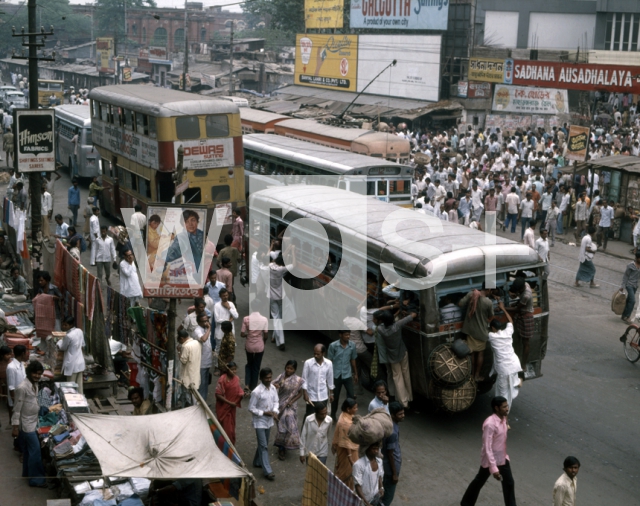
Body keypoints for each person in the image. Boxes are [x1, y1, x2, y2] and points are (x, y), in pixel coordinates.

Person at [461, 396, 516, 506]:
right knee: (479, 481)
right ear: (496, 408)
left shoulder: (503, 418)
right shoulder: (490, 424)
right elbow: (487, 447)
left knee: (509, 483)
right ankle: (466, 503)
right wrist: (494, 468)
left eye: (507, 406)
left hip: (502, 458)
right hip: (490, 460)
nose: (507, 409)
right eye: (504, 407)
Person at [11, 360, 47, 488]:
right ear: (29, 372)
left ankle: (27, 474)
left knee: (28, 451)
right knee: (35, 452)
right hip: (26, 425)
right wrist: (15, 427)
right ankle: (37, 480)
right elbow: (16, 408)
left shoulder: (34, 384)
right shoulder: (22, 387)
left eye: (39, 374)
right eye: (35, 373)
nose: (37, 376)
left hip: (33, 421)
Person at [374, 309, 415, 408]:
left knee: (398, 378)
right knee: (406, 375)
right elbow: (413, 315)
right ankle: (410, 397)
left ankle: (404, 402)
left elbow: (383, 323)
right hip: (402, 352)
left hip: (392, 356)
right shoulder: (397, 325)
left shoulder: (380, 329)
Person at [488, 303, 522, 408]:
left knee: (502, 395)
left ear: (493, 328)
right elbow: (510, 321)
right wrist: (503, 309)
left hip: (504, 369)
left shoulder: (491, 336)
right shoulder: (507, 332)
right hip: (514, 364)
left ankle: (504, 419)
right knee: (509, 391)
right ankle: (519, 381)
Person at [458, 286, 494, 382]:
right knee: (480, 353)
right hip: (481, 332)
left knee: (472, 353)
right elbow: (491, 316)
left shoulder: (471, 294)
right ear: (489, 290)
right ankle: (476, 375)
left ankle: (470, 375)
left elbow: (460, 303)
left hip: (470, 330)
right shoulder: (488, 302)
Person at [249, 367, 279, 481]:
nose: (269, 379)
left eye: (270, 377)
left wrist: (275, 411)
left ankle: (257, 461)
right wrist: (263, 413)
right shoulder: (256, 392)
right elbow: (251, 408)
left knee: (264, 443)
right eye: (266, 378)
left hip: (269, 421)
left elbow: (276, 401)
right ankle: (268, 470)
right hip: (260, 421)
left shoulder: (273, 388)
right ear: (261, 378)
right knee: (264, 445)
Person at [273, 359, 305, 460]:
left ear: (295, 370)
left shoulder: (298, 380)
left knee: (290, 425)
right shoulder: (281, 377)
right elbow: (272, 384)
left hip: (291, 406)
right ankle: (281, 448)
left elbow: (300, 393)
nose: (289, 370)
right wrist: (276, 386)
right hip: (280, 405)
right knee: (282, 427)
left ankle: (285, 446)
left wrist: (291, 401)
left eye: (291, 369)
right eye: (287, 368)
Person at [326, 329, 358, 420]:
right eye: (346, 335)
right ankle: (333, 415)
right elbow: (329, 361)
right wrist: (328, 376)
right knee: (335, 397)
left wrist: (355, 373)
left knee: (351, 395)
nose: (348, 337)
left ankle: (348, 415)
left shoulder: (352, 345)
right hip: (336, 375)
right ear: (340, 335)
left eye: (349, 335)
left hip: (347, 374)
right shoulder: (333, 346)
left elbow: (353, 360)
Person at [301, 343, 334, 423]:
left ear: (323, 353)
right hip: (311, 396)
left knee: (321, 417)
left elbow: (330, 379)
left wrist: (331, 394)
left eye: (318, 354)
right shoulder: (308, 363)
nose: (315, 355)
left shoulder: (329, 363)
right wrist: (305, 393)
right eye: (314, 353)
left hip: (323, 396)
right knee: (309, 417)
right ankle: (304, 434)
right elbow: (304, 379)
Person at [331, 398, 360, 490]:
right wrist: (351, 459)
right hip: (347, 453)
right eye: (355, 408)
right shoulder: (346, 423)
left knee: (341, 470)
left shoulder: (343, 415)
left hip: (343, 450)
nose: (356, 410)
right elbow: (347, 443)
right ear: (348, 409)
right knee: (347, 473)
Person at [506, 278, 534, 371]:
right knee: (517, 340)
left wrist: (503, 308)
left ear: (521, 289)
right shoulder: (524, 284)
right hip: (520, 315)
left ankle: (523, 365)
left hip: (526, 317)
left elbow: (518, 309)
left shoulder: (526, 295)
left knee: (526, 343)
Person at [215, 361, 245, 444]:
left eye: (235, 369)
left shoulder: (236, 378)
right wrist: (229, 402)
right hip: (223, 408)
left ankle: (230, 448)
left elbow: (238, 391)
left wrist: (242, 394)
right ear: (227, 370)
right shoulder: (222, 379)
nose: (234, 371)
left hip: (231, 409)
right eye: (232, 369)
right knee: (225, 429)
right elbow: (218, 394)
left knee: (231, 429)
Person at [241, 302, 269, 391]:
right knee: (256, 366)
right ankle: (253, 387)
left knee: (249, 364)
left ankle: (247, 384)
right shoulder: (264, 319)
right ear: (260, 308)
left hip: (249, 345)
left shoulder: (246, 319)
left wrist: (247, 335)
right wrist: (263, 342)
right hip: (259, 346)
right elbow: (266, 335)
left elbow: (242, 334)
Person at [382, 401, 405, 506]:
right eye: (400, 414)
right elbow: (390, 454)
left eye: (403, 413)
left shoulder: (391, 424)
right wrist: (394, 474)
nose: (403, 416)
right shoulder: (393, 432)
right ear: (392, 415)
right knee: (387, 497)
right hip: (390, 469)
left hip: (387, 466)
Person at [58, 316, 86, 393]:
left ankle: (71, 402)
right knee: (79, 386)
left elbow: (63, 347)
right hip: (80, 362)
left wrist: (59, 341)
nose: (63, 326)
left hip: (71, 363)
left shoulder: (68, 336)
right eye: (63, 324)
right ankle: (80, 402)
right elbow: (83, 344)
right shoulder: (79, 331)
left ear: (71, 325)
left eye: (65, 325)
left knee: (70, 387)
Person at [213, 288, 238, 372]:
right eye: (223, 296)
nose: (225, 297)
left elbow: (236, 316)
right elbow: (217, 319)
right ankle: (217, 367)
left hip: (230, 332)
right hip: (220, 332)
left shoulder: (231, 304)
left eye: (226, 295)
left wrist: (229, 308)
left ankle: (229, 367)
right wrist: (229, 320)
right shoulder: (217, 305)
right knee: (219, 349)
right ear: (220, 296)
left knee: (230, 350)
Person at [353, 441, 385, 506]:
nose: (376, 451)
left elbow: (379, 476)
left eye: (377, 448)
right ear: (367, 449)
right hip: (361, 501)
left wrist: (381, 487)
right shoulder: (358, 465)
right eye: (373, 449)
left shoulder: (379, 462)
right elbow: (357, 486)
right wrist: (366, 503)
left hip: (374, 499)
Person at [299, 402, 331, 466]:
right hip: (310, 451)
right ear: (316, 413)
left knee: (320, 473)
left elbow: (328, 434)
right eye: (322, 414)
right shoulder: (308, 419)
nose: (324, 415)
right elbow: (303, 436)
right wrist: (302, 453)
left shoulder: (329, 420)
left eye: (325, 413)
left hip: (322, 452)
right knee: (311, 473)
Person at [193, 312, 213, 400]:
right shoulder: (197, 330)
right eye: (203, 321)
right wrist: (209, 328)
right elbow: (204, 339)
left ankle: (203, 401)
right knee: (202, 382)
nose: (206, 323)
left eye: (207, 320)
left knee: (206, 382)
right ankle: (200, 402)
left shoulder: (206, 328)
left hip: (207, 359)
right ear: (198, 322)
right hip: (201, 361)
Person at [177, 329, 201, 403]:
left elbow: (183, 360)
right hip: (195, 373)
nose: (180, 343)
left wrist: (179, 351)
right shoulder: (197, 342)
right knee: (195, 395)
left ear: (182, 338)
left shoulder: (186, 346)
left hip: (188, 376)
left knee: (189, 397)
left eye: (180, 341)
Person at [6, 344, 27, 421]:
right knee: (15, 421)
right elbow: (11, 387)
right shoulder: (11, 367)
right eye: (26, 352)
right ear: (22, 354)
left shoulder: (21, 364)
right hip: (16, 399)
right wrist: (15, 402)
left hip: (22, 396)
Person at [619, 252, 640, 324]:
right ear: (637, 258)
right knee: (633, 300)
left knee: (628, 300)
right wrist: (622, 286)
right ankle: (628, 316)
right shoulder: (630, 265)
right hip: (629, 285)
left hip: (635, 286)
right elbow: (625, 276)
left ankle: (623, 315)